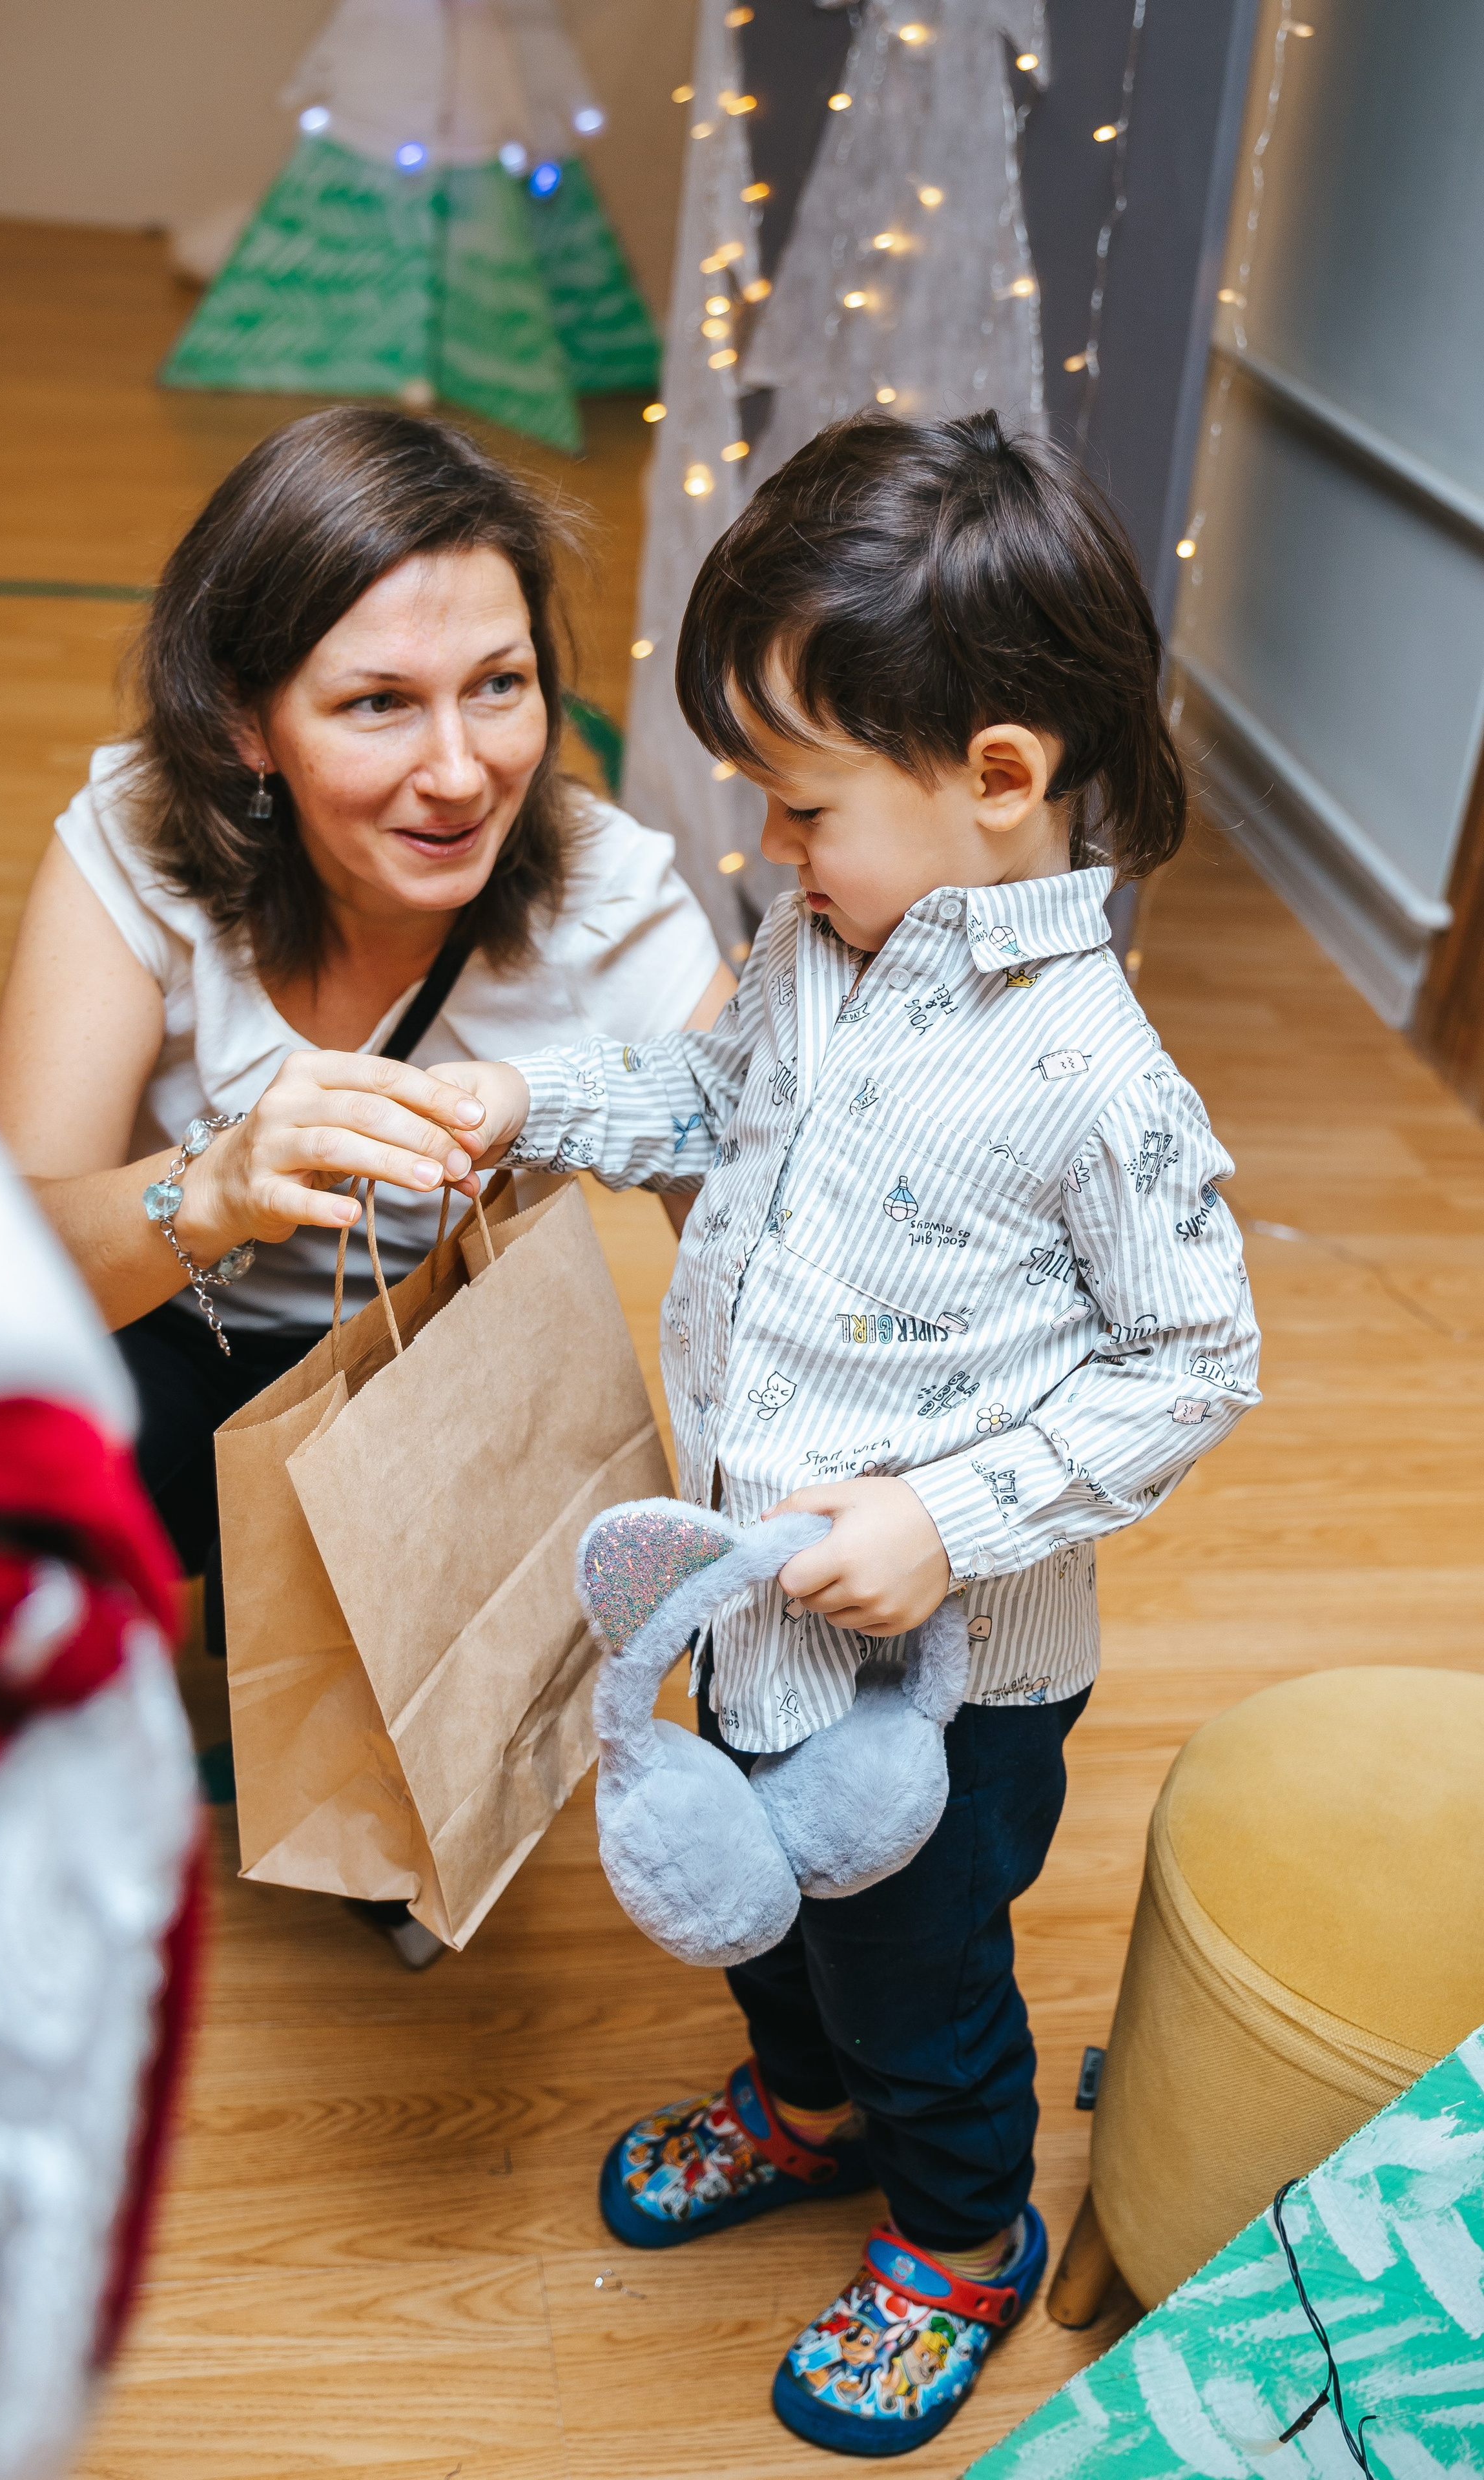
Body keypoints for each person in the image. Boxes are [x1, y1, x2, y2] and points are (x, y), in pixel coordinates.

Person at [430, 409, 1261, 2454]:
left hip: (944, 1676)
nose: (774, 854)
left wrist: (950, 1515)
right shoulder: (823, 949)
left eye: (803, 807)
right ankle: (800, 2113)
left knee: (917, 1977)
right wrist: (528, 1110)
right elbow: (707, 1110)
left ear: (995, 780)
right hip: (750, 1604)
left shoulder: (1100, 1079)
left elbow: (1191, 1364)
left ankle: (962, 2231)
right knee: (759, 1909)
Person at [0, 406, 730, 1965]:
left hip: (423, 1372)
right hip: (163, 1325)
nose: (459, 773)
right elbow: (7, 1266)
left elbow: (758, 1226)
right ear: (249, 726)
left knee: (398, 1778)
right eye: (377, 703)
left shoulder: (603, 902)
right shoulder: (137, 842)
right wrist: (222, 1183)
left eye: (499, 688)